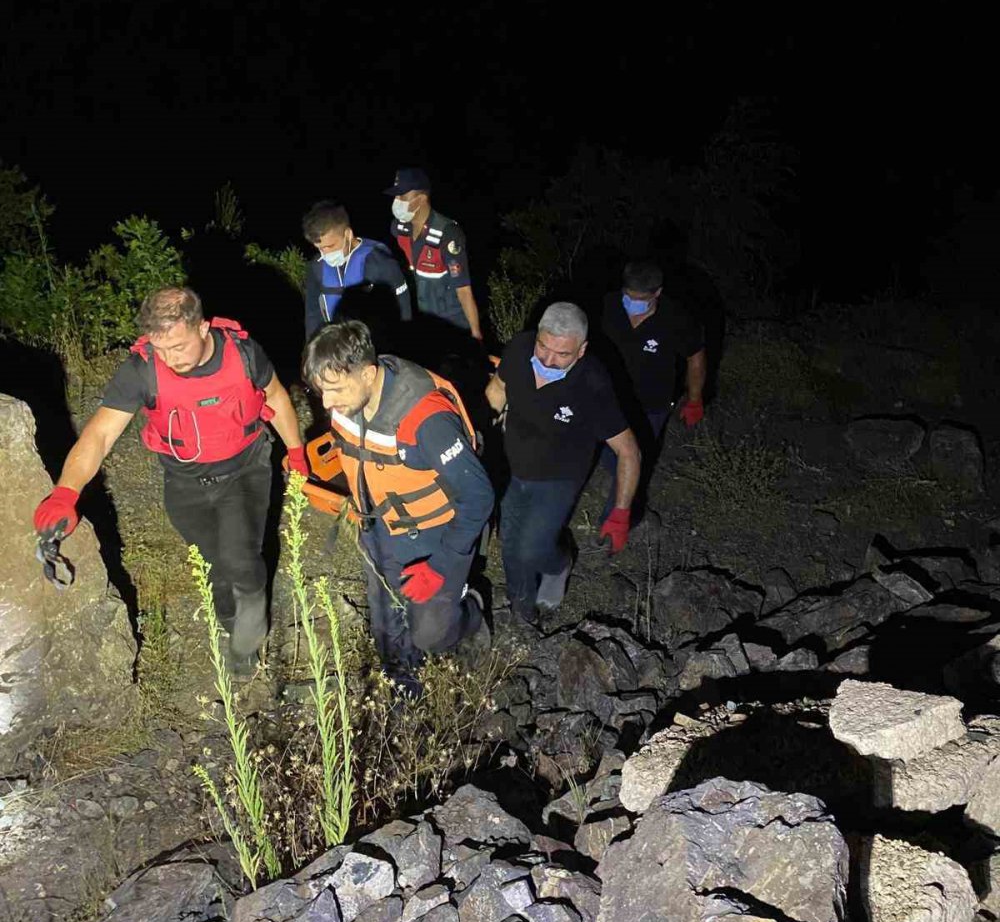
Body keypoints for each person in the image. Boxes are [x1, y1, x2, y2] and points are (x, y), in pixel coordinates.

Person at [32, 287, 308, 671]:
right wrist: (66, 491)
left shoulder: (243, 352)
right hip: (184, 482)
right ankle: (231, 624)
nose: (169, 359)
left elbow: (275, 397)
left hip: (244, 471)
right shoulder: (142, 369)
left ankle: (246, 646)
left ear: (203, 328)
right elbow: (100, 435)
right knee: (213, 565)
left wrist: (296, 450)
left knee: (241, 561)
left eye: (178, 347)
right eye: (160, 349)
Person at [303, 319, 493, 694]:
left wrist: (442, 565)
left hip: (435, 535)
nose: (326, 403)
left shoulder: (427, 419)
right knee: (386, 620)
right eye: (321, 390)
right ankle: (404, 687)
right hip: (380, 527)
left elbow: (478, 496)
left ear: (368, 373)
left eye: (335, 389)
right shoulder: (349, 396)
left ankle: (471, 611)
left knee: (430, 633)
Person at [485, 302, 641, 624]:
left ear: (581, 350)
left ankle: (559, 564)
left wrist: (621, 512)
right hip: (512, 465)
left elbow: (628, 451)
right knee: (510, 544)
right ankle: (521, 609)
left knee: (533, 549)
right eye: (543, 347)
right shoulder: (520, 349)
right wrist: (481, 428)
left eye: (562, 354)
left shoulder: (593, 384)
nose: (547, 360)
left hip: (559, 477)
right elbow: (498, 388)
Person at [599, 257, 706, 520]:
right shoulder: (607, 306)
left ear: (657, 293)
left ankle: (616, 518)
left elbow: (695, 356)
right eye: (628, 297)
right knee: (610, 457)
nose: (632, 305)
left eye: (641, 300)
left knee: (633, 458)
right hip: (607, 399)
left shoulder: (676, 318)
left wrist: (694, 399)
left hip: (650, 405)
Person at [385, 167, 483, 341]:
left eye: (402, 197)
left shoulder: (448, 234)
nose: (397, 202)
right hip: (424, 320)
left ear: (421, 198)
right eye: (396, 196)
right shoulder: (399, 228)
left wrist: (476, 336)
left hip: (453, 323)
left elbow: (463, 290)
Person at [303, 200, 411, 339]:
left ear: (348, 234)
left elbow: (404, 311)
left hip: (373, 343)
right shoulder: (317, 267)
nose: (325, 253)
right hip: (336, 345)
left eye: (330, 246)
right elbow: (312, 315)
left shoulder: (381, 262)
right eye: (320, 248)